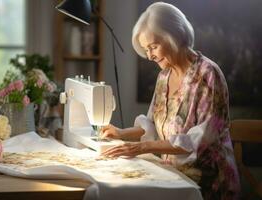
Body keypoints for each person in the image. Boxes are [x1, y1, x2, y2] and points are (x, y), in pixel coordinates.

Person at [101, 2, 240, 199]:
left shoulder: (208, 75)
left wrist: (142, 147)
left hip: (209, 185)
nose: (149, 56)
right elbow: (151, 124)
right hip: (175, 179)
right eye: (145, 49)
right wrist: (121, 133)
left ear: (173, 36)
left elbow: (198, 141)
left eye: (153, 47)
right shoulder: (164, 76)